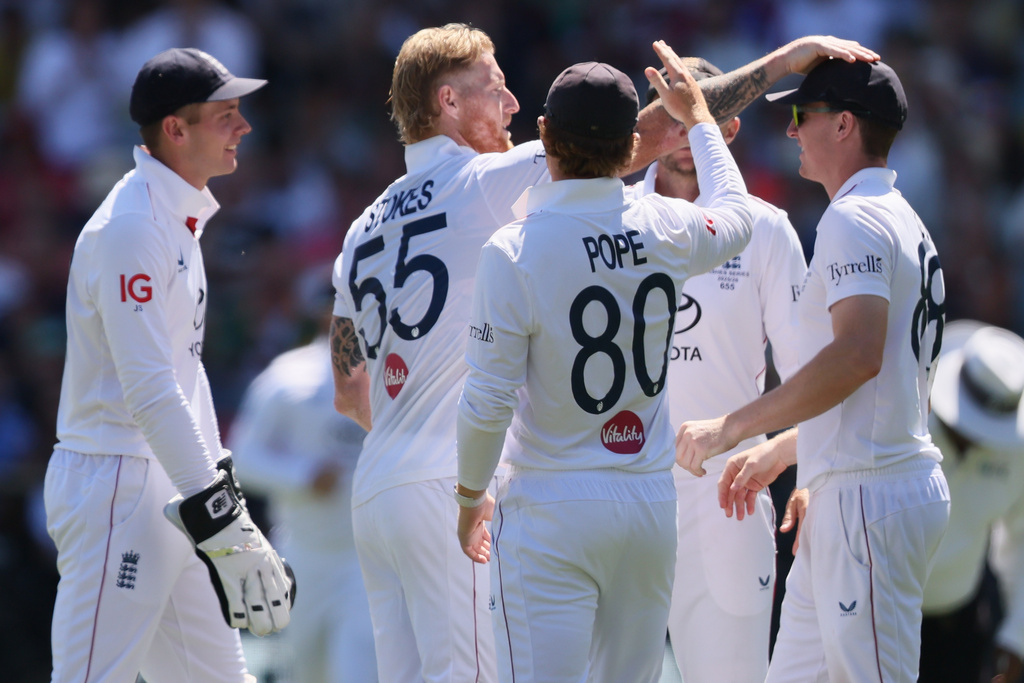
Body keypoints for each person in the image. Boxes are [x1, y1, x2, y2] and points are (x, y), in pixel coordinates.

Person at [330, 21, 878, 683]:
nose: (511, 105)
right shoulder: (489, 183)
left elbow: (350, 389)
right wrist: (781, 63)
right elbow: (655, 127)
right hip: (486, 486)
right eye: (495, 89)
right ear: (448, 101)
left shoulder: (363, 226)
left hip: (377, 488)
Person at [454, 44, 758, 681]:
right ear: (631, 147)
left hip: (549, 506)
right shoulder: (669, 225)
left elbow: (487, 401)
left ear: (544, 134)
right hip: (647, 506)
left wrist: (469, 497)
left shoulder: (514, 250)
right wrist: (700, 119)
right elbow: (737, 216)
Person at [682, 56, 951, 682]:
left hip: (869, 495)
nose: (791, 130)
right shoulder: (896, 215)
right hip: (856, 488)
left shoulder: (854, 217)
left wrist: (731, 427)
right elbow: (878, 384)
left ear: (844, 125)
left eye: (803, 114)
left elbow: (857, 357)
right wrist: (782, 451)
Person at [44, 48, 292, 683]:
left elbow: (182, 370)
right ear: (176, 129)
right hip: (117, 483)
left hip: (171, 484)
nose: (245, 127)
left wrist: (219, 497)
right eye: (225, 115)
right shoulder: (133, 226)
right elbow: (150, 390)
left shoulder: (171, 217)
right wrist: (224, 521)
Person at [632, 58, 807, 683]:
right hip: (616, 496)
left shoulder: (766, 230)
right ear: (649, 126)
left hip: (727, 499)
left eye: (699, 118)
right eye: (670, 119)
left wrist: (807, 469)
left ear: (728, 128)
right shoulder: (605, 218)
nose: (684, 136)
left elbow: (813, 380)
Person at [230, 306, 378, 683]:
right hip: (303, 555)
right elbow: (243, 456)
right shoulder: (288, 375)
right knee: (307, 672)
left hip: (369, 556)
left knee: (359, 668)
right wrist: (304, 474)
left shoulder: (390, 370)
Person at [919, 320, 1024, 683]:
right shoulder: (901, 422)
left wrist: (1016, 636)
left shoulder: (1017, 452)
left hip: (958, 632)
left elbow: (1021, 542)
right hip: (869, 615)